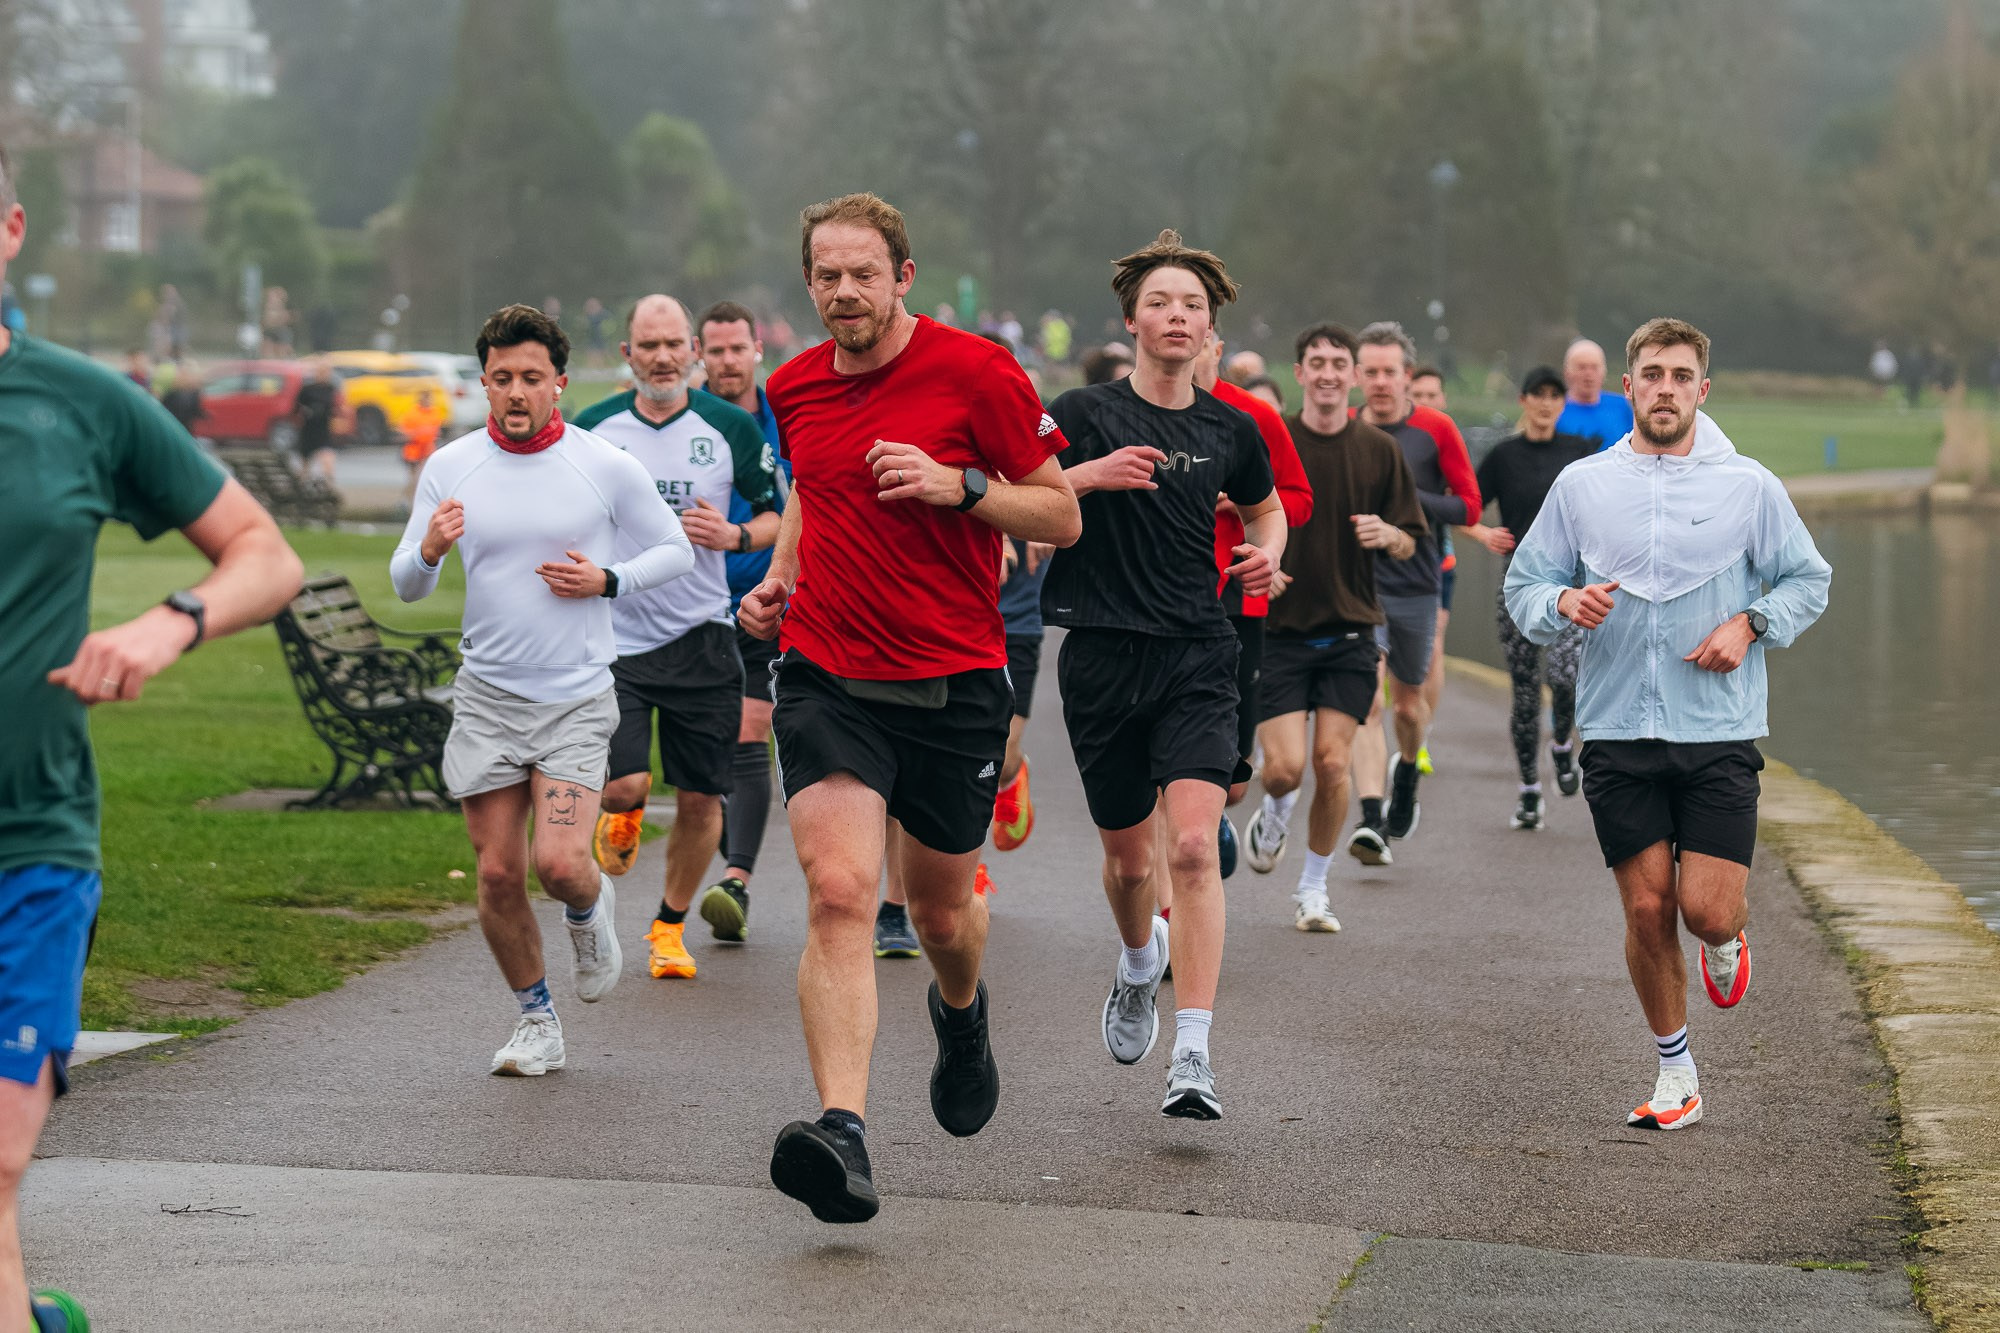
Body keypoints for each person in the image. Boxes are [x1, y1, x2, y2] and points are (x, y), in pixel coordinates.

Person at [0, 139, 307, 1333]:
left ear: (14, 232)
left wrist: (168, 623)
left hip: (30, 840)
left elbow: (266, 554)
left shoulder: (79, 404)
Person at [738, 193, 1079, 1224]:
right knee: (840, 891)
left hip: (953, 679)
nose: (844, 291)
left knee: (938, 912)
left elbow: (1058, 510)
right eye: (825, 276)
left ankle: (961, 1013)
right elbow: (811, 484)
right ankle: (841, 1130)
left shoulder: (978, 373)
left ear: (902, 276)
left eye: (862, 273)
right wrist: (780, 575)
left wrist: (957, 484)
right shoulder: (791, 386)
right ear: (808, 284)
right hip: (827, 673)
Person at [1504, 318, 1830, 1132]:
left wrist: (1751, 624)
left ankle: (1728, 942)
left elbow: (1808, 580)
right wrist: (1561, 602)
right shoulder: (1583, 486)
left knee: (1706, 909)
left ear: (1702, 390)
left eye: (1681, 376)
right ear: (1628, 388)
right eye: (1651, 374)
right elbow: (1525, 584)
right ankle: (1675, 1071)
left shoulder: (1748, 485)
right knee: (1647, 912)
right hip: (1614, 729)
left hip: (1717, 730)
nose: (1665, 389)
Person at [390, 304, 695, 1079]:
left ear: (559, 382)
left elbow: (676, 550)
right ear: (484, 384)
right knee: (497, 872)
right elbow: (406, 584)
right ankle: (536, 1020)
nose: (516, 392)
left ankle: (591, 911)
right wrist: (428, 548)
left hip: (574, 698)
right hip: (488, 697)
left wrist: (608, 579)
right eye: (501, 379)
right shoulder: (451, 466)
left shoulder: (603, 465)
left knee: (559, 865)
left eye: (531, 378)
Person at [1042, 229, 1285, 1121]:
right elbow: (1015, 495)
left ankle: (1194, 1054)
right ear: (1133, 319)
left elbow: (1266, 513)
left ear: (1209, 324)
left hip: (1198, 650)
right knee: (1126, 856)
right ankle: (1140, 960)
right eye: (1160, 303)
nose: (1176, 316)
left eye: (1192, 305)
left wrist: (1263, 556)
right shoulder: (1080, 409)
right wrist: (1090, 476)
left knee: (1190, 844)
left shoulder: (1234, 427)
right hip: (1102, 651)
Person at [573, 296, 779, 979]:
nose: (661, 357)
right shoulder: (595, 428)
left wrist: (736, 535)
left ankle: (667, 927)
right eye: (647, 345)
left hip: (703, 636)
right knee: (625, 781)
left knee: (699, 798)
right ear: (627, 354)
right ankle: (624, 812)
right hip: (618, 639)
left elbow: (784, 515)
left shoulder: (727, 427)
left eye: (672, 344)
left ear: (691, 350)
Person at [1243, 324, 1424, 930]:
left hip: (1351, 632)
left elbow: (1410, 539)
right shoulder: (1271, 440)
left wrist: (1389, 533)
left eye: (1337, 363)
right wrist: (1253, 563)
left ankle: (1313, 889)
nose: (1327, 372)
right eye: (1315, 361)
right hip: (1280, 632)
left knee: (1332, 763)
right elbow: (1231, 516)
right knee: (1284, 768)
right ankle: (1274, 814)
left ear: (1352, 376)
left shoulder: (1378, 449)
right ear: (1298, 373)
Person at [1348, 322, 1478, 856]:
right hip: (1357, 584)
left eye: (1390, 372)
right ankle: (1373, 818)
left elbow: (1468, 506)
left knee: (1405, 706)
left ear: (1408, 375)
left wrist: (1407, 499)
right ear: (1358, 376)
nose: (1381, 382)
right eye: (1371, 371)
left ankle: (1406, 775)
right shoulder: (1345, 428)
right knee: (1366, 701)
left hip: (1418, 584)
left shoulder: (1435, 429)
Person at [690, 300, 793, 946]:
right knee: (713, 743)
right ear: (701, 354)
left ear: (757, 348)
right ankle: (730, 832)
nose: (728, 361)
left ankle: (735, 880)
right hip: (692, 604)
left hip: (767, 597)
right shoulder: (685, 418)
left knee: (752, 728)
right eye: (716, 351)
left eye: (737, 349)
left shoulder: (787, 414)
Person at [1192, 328, 1313, 873]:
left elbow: (1297, 499)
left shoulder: (1250, 417)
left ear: (1216, 348)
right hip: (1157, 598)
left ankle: (1212, 810)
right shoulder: (1128, 410)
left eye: (1200, 332)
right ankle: (1187, 841)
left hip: (1239, 595)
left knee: (1237, 772)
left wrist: (1241, 505)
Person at [1462, 366, 1596, 829]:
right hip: (1519, 580)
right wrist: (1481, 534)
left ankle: (1562, 744)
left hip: (1571, 581)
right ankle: (1529, 791)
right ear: (1523, 401)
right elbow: (1465, 505)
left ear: (1563, 403)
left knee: (1565, 677)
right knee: (1523, 690)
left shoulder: (1581, 453)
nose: (1545, 403)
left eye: (1554, 395)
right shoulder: (1503, 456)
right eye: (1537, 395)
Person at [1555, 338, 1636, 449]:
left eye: (1594, 367)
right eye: (1582, 367)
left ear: (1604, 371)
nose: (1588, 374)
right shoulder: (1554, 409)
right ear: (1567, 372)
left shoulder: (1621, 406)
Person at [293, 357, 339, 481]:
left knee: (327, 458)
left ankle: (328, 483)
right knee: (304, 463)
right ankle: (301, 485)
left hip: (323, 428)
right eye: (321, 371)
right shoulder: (307, 389)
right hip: (309, 428)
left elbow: (335, 408)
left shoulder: (331, 388)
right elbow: (296, 407)